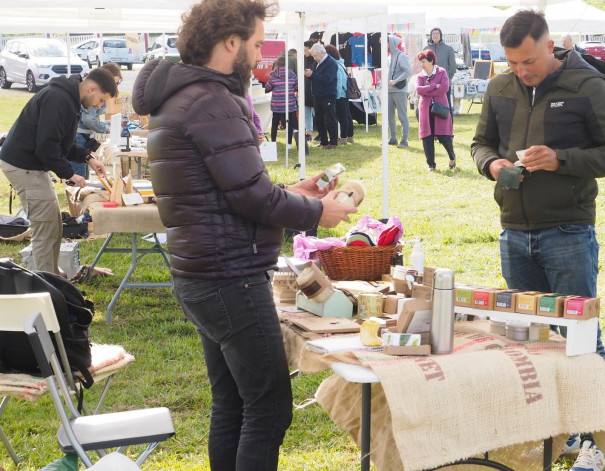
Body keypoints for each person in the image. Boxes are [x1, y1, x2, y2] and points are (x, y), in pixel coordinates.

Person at [131, 1, 357, 469]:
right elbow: (252, 199)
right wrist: (318, 210)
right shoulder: (211, 101)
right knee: (269, 408)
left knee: (233, 402)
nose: (259, 55)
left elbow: (234, 190)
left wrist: (294, 192)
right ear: (230, 43)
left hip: (205, 273)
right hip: (229, 277)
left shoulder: (186, 99)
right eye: (256, 44)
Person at [471, 10, 605, 470]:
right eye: (513, 63)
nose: (521, 71)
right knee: (531, 340)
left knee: (581, 339)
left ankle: (600, 441)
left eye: (528, 61)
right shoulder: (499, 87)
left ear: (548, 45)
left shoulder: (585, 85)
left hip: (568, 231)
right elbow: (481, 144)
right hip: (514, 233)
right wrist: (493, 166)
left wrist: (560, 160)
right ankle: (554, 434)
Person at [0, 69, 115, 274]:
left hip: (32, 165)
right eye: (100, 100)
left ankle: (54, 277)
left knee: (54, 226)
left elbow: (64, 145)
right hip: (23, 166)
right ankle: (47, 287)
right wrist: (70, 174)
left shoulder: (69, 99)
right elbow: (46, 147)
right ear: (92, 88)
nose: (100, 106)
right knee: (45, 229)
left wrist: (89, 158)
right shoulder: (58, 99)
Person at [74, 62, 122, 178]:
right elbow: (89, 119)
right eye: (114, 83)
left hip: (82, 137)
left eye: (117, 84)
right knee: (79, 177)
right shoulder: (89, 98)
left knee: (82, 174)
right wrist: (104, 128)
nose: (114, 87)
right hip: (80, 136)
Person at [416, 50, 456, 171]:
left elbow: (444, 88)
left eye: (424, 61)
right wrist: (433, 86)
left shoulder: (442, 72)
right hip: (425, 109)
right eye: (421, 62)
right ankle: (431, 164)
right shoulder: (420, 76)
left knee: (444, 136)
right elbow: (419, 90)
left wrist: (427, 90)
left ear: (431, 61)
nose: (422, 64)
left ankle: (452, 157)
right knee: (427, 137)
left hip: (440, 108)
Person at [306, 42, 339, 149]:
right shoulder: (317, 63)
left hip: (328, 95)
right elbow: (316, 77)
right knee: (319, 119)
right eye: (313, 56)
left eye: (315, 56)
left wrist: (313, 74)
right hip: (317, 95)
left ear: (322, 53)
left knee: (330, 118)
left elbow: (328, 79)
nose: (314, 58)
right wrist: (310, 75)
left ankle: (333, 142)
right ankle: (324, 141)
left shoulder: (331, 63)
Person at [264, 54, 299, 148]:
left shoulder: (274, 75)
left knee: (275, 123)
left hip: (277, 104)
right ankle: (289, 144)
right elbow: (296, 87)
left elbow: (267, 88)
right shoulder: (292, 74)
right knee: (290, 124)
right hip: (290, 103)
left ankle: (273, 143)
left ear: (277, 64)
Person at [326, 44, 354, 145]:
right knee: (347, 116)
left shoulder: (335, 65)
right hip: (345, 93)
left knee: (342, 117)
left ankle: (343, 138)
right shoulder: (341, 63)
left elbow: (338, 81)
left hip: (340, 94)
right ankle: (349, 136)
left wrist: (336, 96)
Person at [424, 27, 457, 110]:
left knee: (445, 107)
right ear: (431, 36)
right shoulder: (426, 49)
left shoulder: (448, 49)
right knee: (430, 108)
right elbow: (423, 66)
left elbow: (452, 67)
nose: (435, 35)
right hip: (430, 84)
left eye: (437, 33)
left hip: (444, 84)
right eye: (433, 34)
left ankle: (449, 123)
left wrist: (446, 80)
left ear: (440, 36)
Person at [387, 35, 411, 148]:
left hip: (399, 90)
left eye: (385, 43)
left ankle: (404, 140)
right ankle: (393, 138)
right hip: (389, 90)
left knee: (402, 116)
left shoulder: (401, 56)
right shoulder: (388, 57)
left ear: (390, 43)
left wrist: (395, 81)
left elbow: (408, 71)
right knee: (389, 116)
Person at [302, 40, 318, 143]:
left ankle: (321, 131)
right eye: (303, 50)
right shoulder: (303, 59)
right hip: (305, 89)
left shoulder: (316, 60)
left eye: (306, 50)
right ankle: (308, 133)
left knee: (317, 112)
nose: (305, 52)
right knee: (307, 112)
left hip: (314, 89)